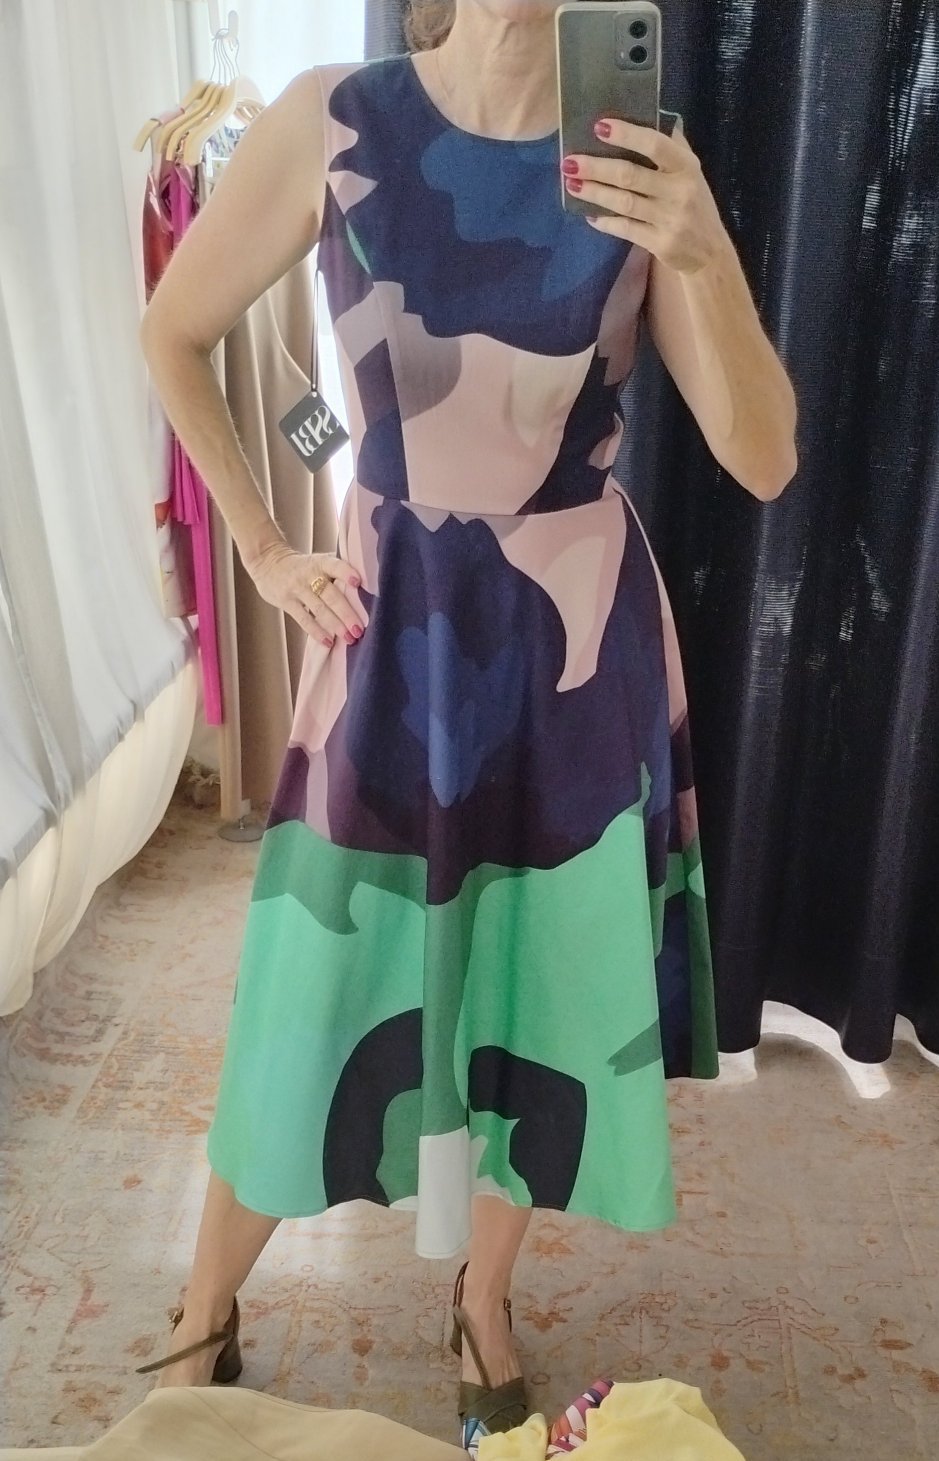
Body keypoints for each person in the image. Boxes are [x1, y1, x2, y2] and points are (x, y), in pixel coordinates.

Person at [137, 0, 798, 1443]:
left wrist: (701, 253)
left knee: (531, 1001)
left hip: (571, 655)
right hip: (392, 647)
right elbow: (178, 332)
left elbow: (763, 458)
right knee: (309, 993)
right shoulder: (333, 117)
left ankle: (483, 1297)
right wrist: (266, 544)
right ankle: (203, 1308)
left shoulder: (638, 160)